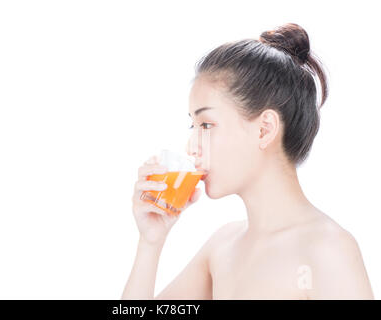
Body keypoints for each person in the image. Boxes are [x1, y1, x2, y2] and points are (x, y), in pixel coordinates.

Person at [122, 23, 374, 300]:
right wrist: (150, 242)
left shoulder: (328, 250)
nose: (192, 147)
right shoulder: (222, 248)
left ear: (264, 129)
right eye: (192, 126)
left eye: (206, 125)